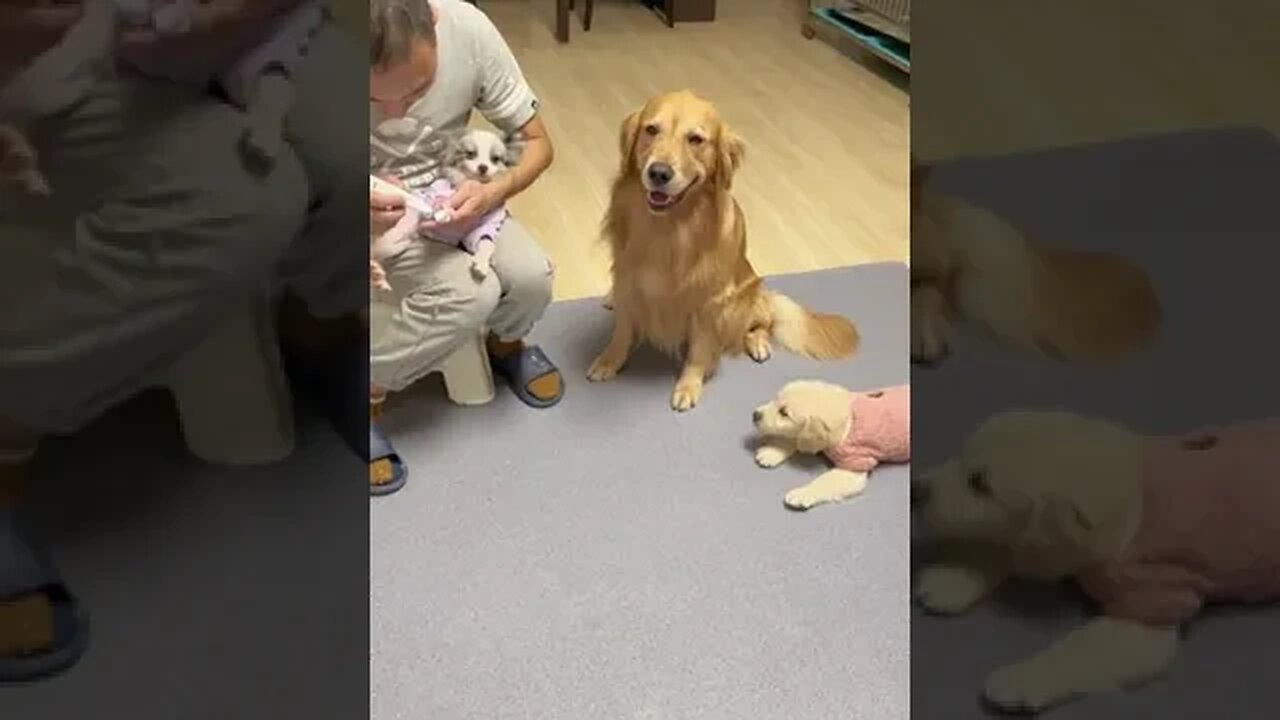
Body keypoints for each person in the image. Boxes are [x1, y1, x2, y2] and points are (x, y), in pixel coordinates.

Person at [0, 0, 367, 682]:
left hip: (258, 21)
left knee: (357, 151)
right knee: (250, 201)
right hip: (54, 51)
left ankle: (321, 326)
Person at [367, 0, 562, 494]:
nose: (394, 113)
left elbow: (537, 143)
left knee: (530, 277)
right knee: (468, 294)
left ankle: (505, 343)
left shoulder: (468, 29)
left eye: (415, 91)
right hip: (373, 219)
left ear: (433, 23)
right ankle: (363, 387)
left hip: (462, 201)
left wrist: (494, 191)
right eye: (369, 99)